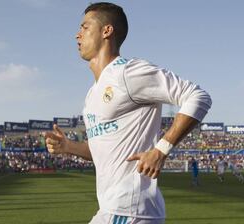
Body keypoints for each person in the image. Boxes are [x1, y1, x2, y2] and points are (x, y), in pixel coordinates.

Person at [45, 2, 212, 223]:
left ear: (107, 30)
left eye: (85, 27)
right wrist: (69, 147)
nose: (77, 35)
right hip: (116, 209)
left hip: (128, 209)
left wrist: (161, 149)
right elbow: (106, 154)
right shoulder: (92, 94)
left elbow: (198, 96)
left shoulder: (127, 72)